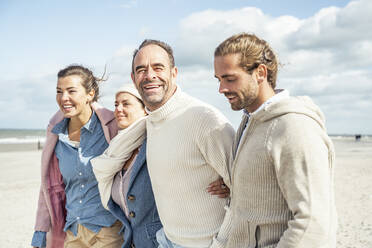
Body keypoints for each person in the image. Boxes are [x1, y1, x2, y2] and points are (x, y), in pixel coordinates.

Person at [213, 33, 337, 247]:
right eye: (219, 79)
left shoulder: (295, 127)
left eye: (230, 79)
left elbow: (313, 223)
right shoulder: (249, 122)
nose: (221, 89)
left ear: (260, 72)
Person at [130, 39, 235, 248]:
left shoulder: (204, 119)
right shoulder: (152, 121)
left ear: (174, 73)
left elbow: (246, 189)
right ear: (133, 79)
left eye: (158, 67)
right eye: (141, 70)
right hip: (167, 240)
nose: (149, 75)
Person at [31, 65, 123, 248]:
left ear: (90, 94)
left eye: (71, 91)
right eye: (59, 91)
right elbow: (48, 187)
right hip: (72, 233)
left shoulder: (111, 127)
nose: (64, 98)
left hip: (108, 231)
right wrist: (40, 232)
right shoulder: (56, 135)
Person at [91, 84, 162, 247]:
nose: (118, 109)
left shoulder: (155, 143)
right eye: (116, 104)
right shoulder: (116, 150)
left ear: (145, 109)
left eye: (126, 103)